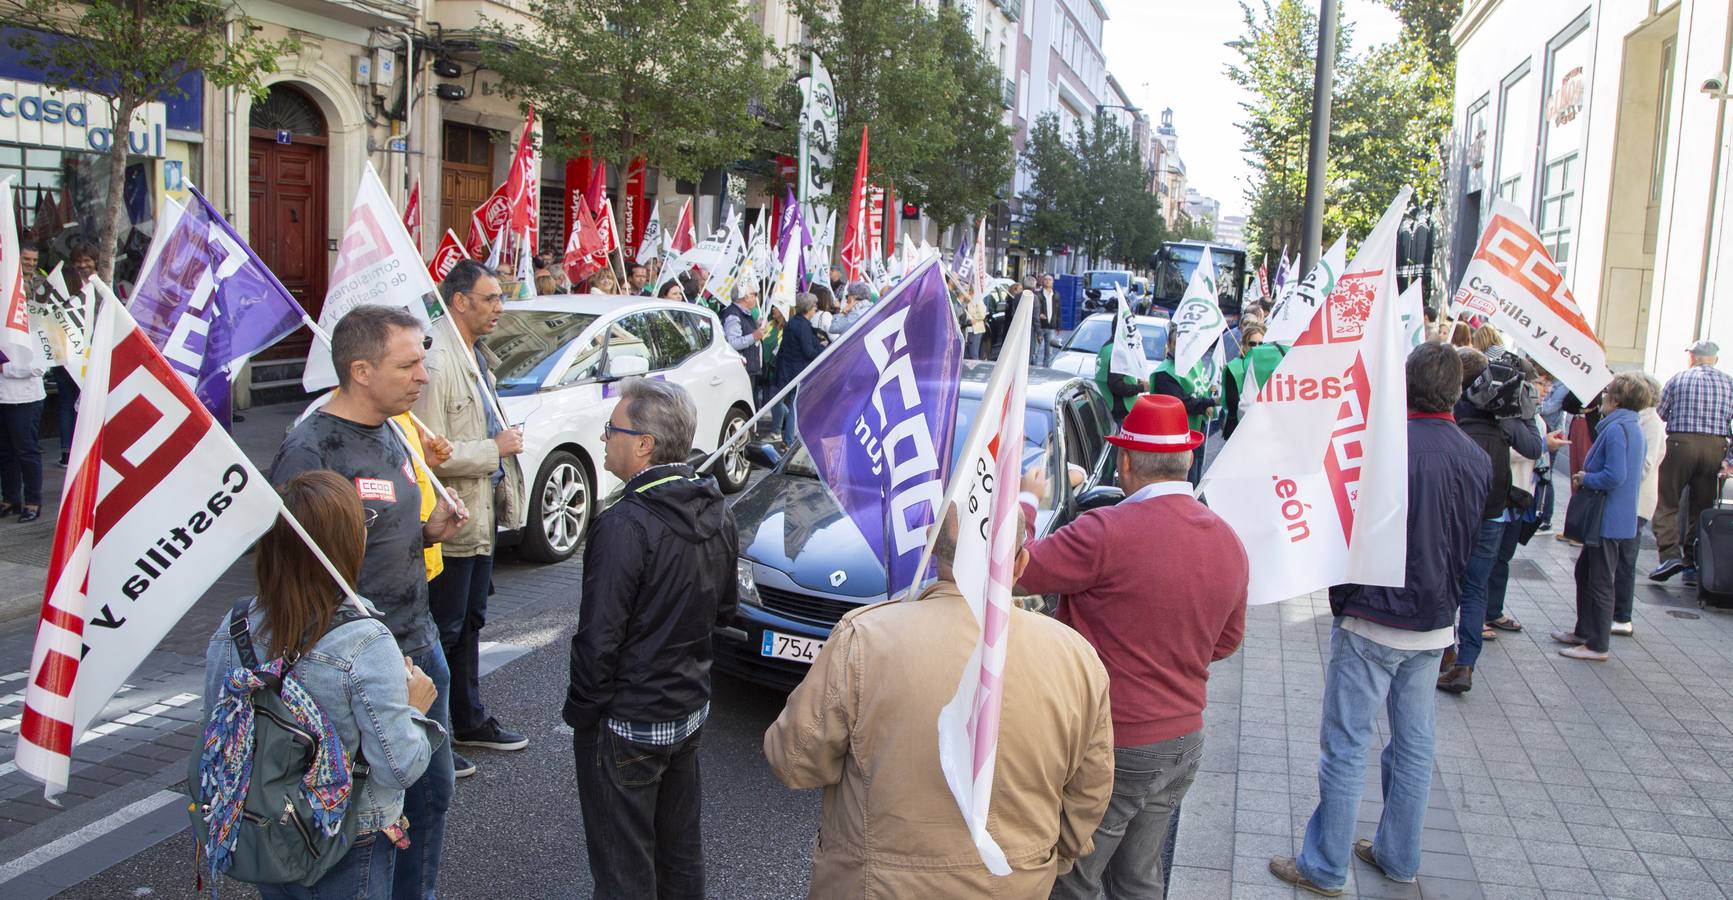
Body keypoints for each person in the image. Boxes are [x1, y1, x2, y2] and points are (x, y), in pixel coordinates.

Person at [763, 504, 1114, 897]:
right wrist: (1038, 859)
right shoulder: (1076, 658)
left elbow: (794, 761)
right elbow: (1088, 796)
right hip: (1014, 885)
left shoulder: (864, 639)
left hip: (877, 885)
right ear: (1019, 565)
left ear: (931, 552)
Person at [1270, 342, 1490, 897]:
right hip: (1434, 619)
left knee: (1347, 743)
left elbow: (1344, 530)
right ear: (1457, 391)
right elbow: (1471, 543)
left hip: (1374, 616)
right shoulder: (1476, 457)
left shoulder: (1382, 450)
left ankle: (1324, 868)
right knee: (1414, 743)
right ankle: (1399, 857)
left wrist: (1344, 601)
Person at [268, 305, 469, 900]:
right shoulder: (309, 450)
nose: (423, 377)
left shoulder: (396, 427)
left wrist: (429, 532)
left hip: (418, 644)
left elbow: (379, 531)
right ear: (360, 369)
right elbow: (291, 569)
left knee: (431, 797)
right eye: (407, 365)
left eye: (422, 363)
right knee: (371, 822)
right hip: (355, 668)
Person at [1018, 394, 1248, 899]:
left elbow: (1014, 570)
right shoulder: (1229, 541)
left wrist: (1030, 499)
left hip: (1115, 741)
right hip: (1184, 739)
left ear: (1124, 461)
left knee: (1072, 879)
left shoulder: (1106, 532)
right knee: (1138, 879)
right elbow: (1227, 641)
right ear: (1187, 459)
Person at [202, 470, 441, 900]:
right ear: (346, 545)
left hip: (266, 826)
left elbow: (217, 734)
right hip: (349, 837)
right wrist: (414, 706)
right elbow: (399, 766)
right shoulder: (364, 641)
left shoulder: (234, 627)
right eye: (362, 524)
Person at [565, 378, 738, 899]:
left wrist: (584, 715)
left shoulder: (625, 523)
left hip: (631, 719)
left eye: (611, 430)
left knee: (624, 865)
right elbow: (724, 610)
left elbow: (599, 641)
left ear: (643, 443)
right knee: (680, 851)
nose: (603, 439)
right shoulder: (716, 510)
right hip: (688, 708)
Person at [416, 261, 529, 773]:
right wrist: (493, 449)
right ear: (459, 301)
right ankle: (435, 734)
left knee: (470, 624)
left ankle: (469, 719)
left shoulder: (475, 356)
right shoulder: (437, 361)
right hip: (452, 523)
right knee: (445, 629)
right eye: (491, 299)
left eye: (501, 298)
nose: (499, 309)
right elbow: (429, 452)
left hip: (479, 521)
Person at [1438, 347, 1542, 694]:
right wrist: (1517, 414)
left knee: (1448, 581)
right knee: (1475, 589)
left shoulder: (1454, 406)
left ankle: (1444, 651)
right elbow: (1534, 447)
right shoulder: (1507, 412)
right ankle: (1465, 663)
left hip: (1457, 509)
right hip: (1492, 512)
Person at [1553, 374, 1648, 662]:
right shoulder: (1628, 426)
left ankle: (1597, 643)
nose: (1603, 397)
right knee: (1586, 572)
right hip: (1612, 516)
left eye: (1607, 393)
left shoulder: (1619, 429)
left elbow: (1615, 475)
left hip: (1608, 517)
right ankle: (1584, 632)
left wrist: (1586, 477)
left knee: (1600, 580)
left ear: (1616, 399)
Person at [1649, 340, 1733, 586]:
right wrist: (1728, 460)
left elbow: (1659, 414)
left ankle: (1669, 555)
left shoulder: (1678, 379)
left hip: (1680, 445)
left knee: (1666, 501)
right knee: (1702, 506)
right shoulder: (1729, 383)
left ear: (1692, 357)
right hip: (1716, 447)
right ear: (1715, 359)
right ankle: (1693, 560)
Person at [1613, 373, 1666, 636]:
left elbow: (1644, 466)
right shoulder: (1639, 420)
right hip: (1628, 500)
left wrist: (1616, 472)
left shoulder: (1652, 424)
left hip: (1636, 502)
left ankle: (1622, 616)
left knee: (1625, 559)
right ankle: (1615, 612)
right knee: (1619, 557)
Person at [1150, 330, 1217, 484]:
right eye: (1177, 344)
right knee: (1187, 478)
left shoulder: (1194, 364)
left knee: (1196, 473)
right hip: (1177, 437)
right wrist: (1211, 402)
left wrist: (1209, 394)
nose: (1182, 349)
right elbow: (1183, 403)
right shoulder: (1165, 372)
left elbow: (1200, 388)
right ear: (1169, 345)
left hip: (1197, 428)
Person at [0, 313, 46, 522]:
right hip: (2, 399)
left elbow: (39, 366)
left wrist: (5, 367)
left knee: (26, 451)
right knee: (5, 452)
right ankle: (10, 499)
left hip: (24, 400)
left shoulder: (31, 324)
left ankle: (33, 502)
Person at [772, 293, 824, 446]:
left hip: (786, 369)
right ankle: (788, 441)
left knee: (785, 403)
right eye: (815, 306)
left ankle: (784, 436)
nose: (816, 309)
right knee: (795, 406)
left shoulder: (792, 322)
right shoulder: (804, 326)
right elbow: (808, 351)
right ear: (808, 308)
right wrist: (823, 350)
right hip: (798, 371)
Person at [1222, 321, 1285, 439]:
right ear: (1244, 346)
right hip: (1238, 431)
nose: (1257, 348)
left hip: (1265, 430)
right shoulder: (1234, 368)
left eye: (1261, 344)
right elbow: (1232, 403)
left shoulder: (1274, 367)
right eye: (1252, 344)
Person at [720, 283, 767, 390]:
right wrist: (754, 336)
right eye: (754, 294)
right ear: (745, 298)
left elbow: (745, 331)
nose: (756, 297)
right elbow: (733, 343)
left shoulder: (744, 313)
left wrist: (757, 326)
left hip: (749, 369)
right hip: (742, 371)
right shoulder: (733, 315)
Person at [1034, 273, 1059, 366]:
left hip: (1051, 326)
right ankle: (1033, 369)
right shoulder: (1037, 294)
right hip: (1040, 326)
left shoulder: (1056, 295)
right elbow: (1034, 308)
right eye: (1046, 279)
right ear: (1042, 281)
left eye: (1050, 279)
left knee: (1049, 352)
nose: (1048, 281)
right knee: (1035, 351)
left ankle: (1046, 369)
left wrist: (1058, 325)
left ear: (1053, 282)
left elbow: (1058, 310)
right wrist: (1039, 314)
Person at [964, 286, 988, 360]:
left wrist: (973, 318)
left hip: (975, 330)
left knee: (974, 354)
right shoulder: (963, 301)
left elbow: (982, 314)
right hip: (966, 330)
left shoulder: (976, 300)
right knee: (966, 354)